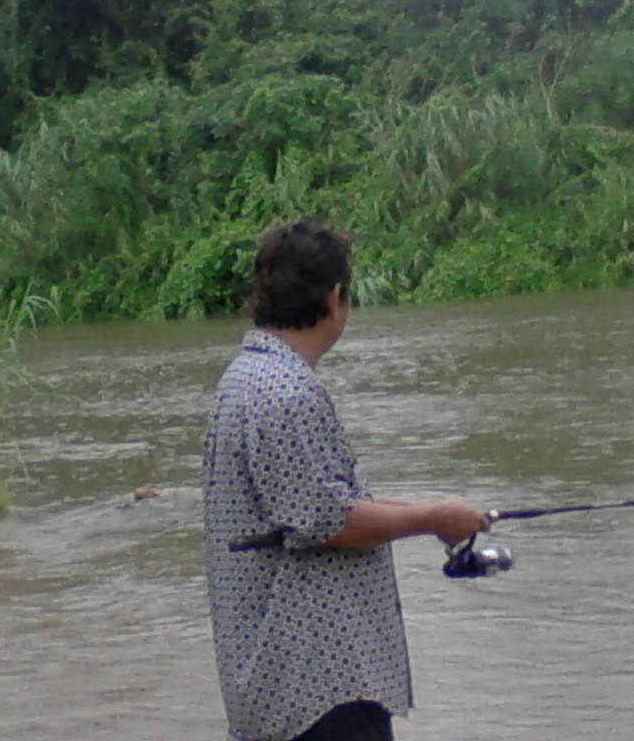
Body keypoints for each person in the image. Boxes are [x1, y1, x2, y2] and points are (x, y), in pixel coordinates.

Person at [202, 220, 490, 741]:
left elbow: (318, 503)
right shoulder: (287, 391)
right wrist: (433, 518)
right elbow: (330, 521)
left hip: (277, 680)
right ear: (337, 298)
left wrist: (432, 516)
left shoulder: (246, 377)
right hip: (318, 680)